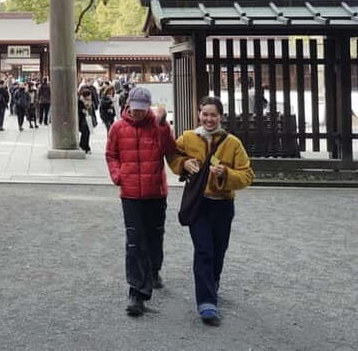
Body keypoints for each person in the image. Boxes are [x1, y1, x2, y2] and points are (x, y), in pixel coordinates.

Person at [168, 95, 254, 326]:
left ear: (221, 117)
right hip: (199, 203)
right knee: (204, 250)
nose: (208, 119)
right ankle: (206, 303)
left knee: (218, 249)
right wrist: (183, 164)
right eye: (205, 114)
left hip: (223, 204)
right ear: (199, 114)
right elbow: (173, 154)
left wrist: (225, 174)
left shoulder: (233, 143)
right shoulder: (188, 138)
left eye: (213, 115)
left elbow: (247, 175)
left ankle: (213, 281)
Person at [105, 86, 179, 317]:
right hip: (130, 194)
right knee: (135, 240)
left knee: (155, 235)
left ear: (148, 107)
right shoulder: (118, 127)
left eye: (142, 109)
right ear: (129, 105)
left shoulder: (158, 126)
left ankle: (154, 269)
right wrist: (118, 175)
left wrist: (164, 125)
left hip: (155, 192)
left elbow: (170, 150)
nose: (138, 113)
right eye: (135, 109)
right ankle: (137, 292)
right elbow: (111, 154)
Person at [77, 86, 96, 153]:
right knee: (85, 133)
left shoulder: (90, 102)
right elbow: (78, 111)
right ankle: (85, 146)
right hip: (83, 120)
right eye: (89, 95)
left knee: (87, 133)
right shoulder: (80, 101)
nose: (90, 96)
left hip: (89, 120)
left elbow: (93, 111)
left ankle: (84, 145)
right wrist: (83, 110)